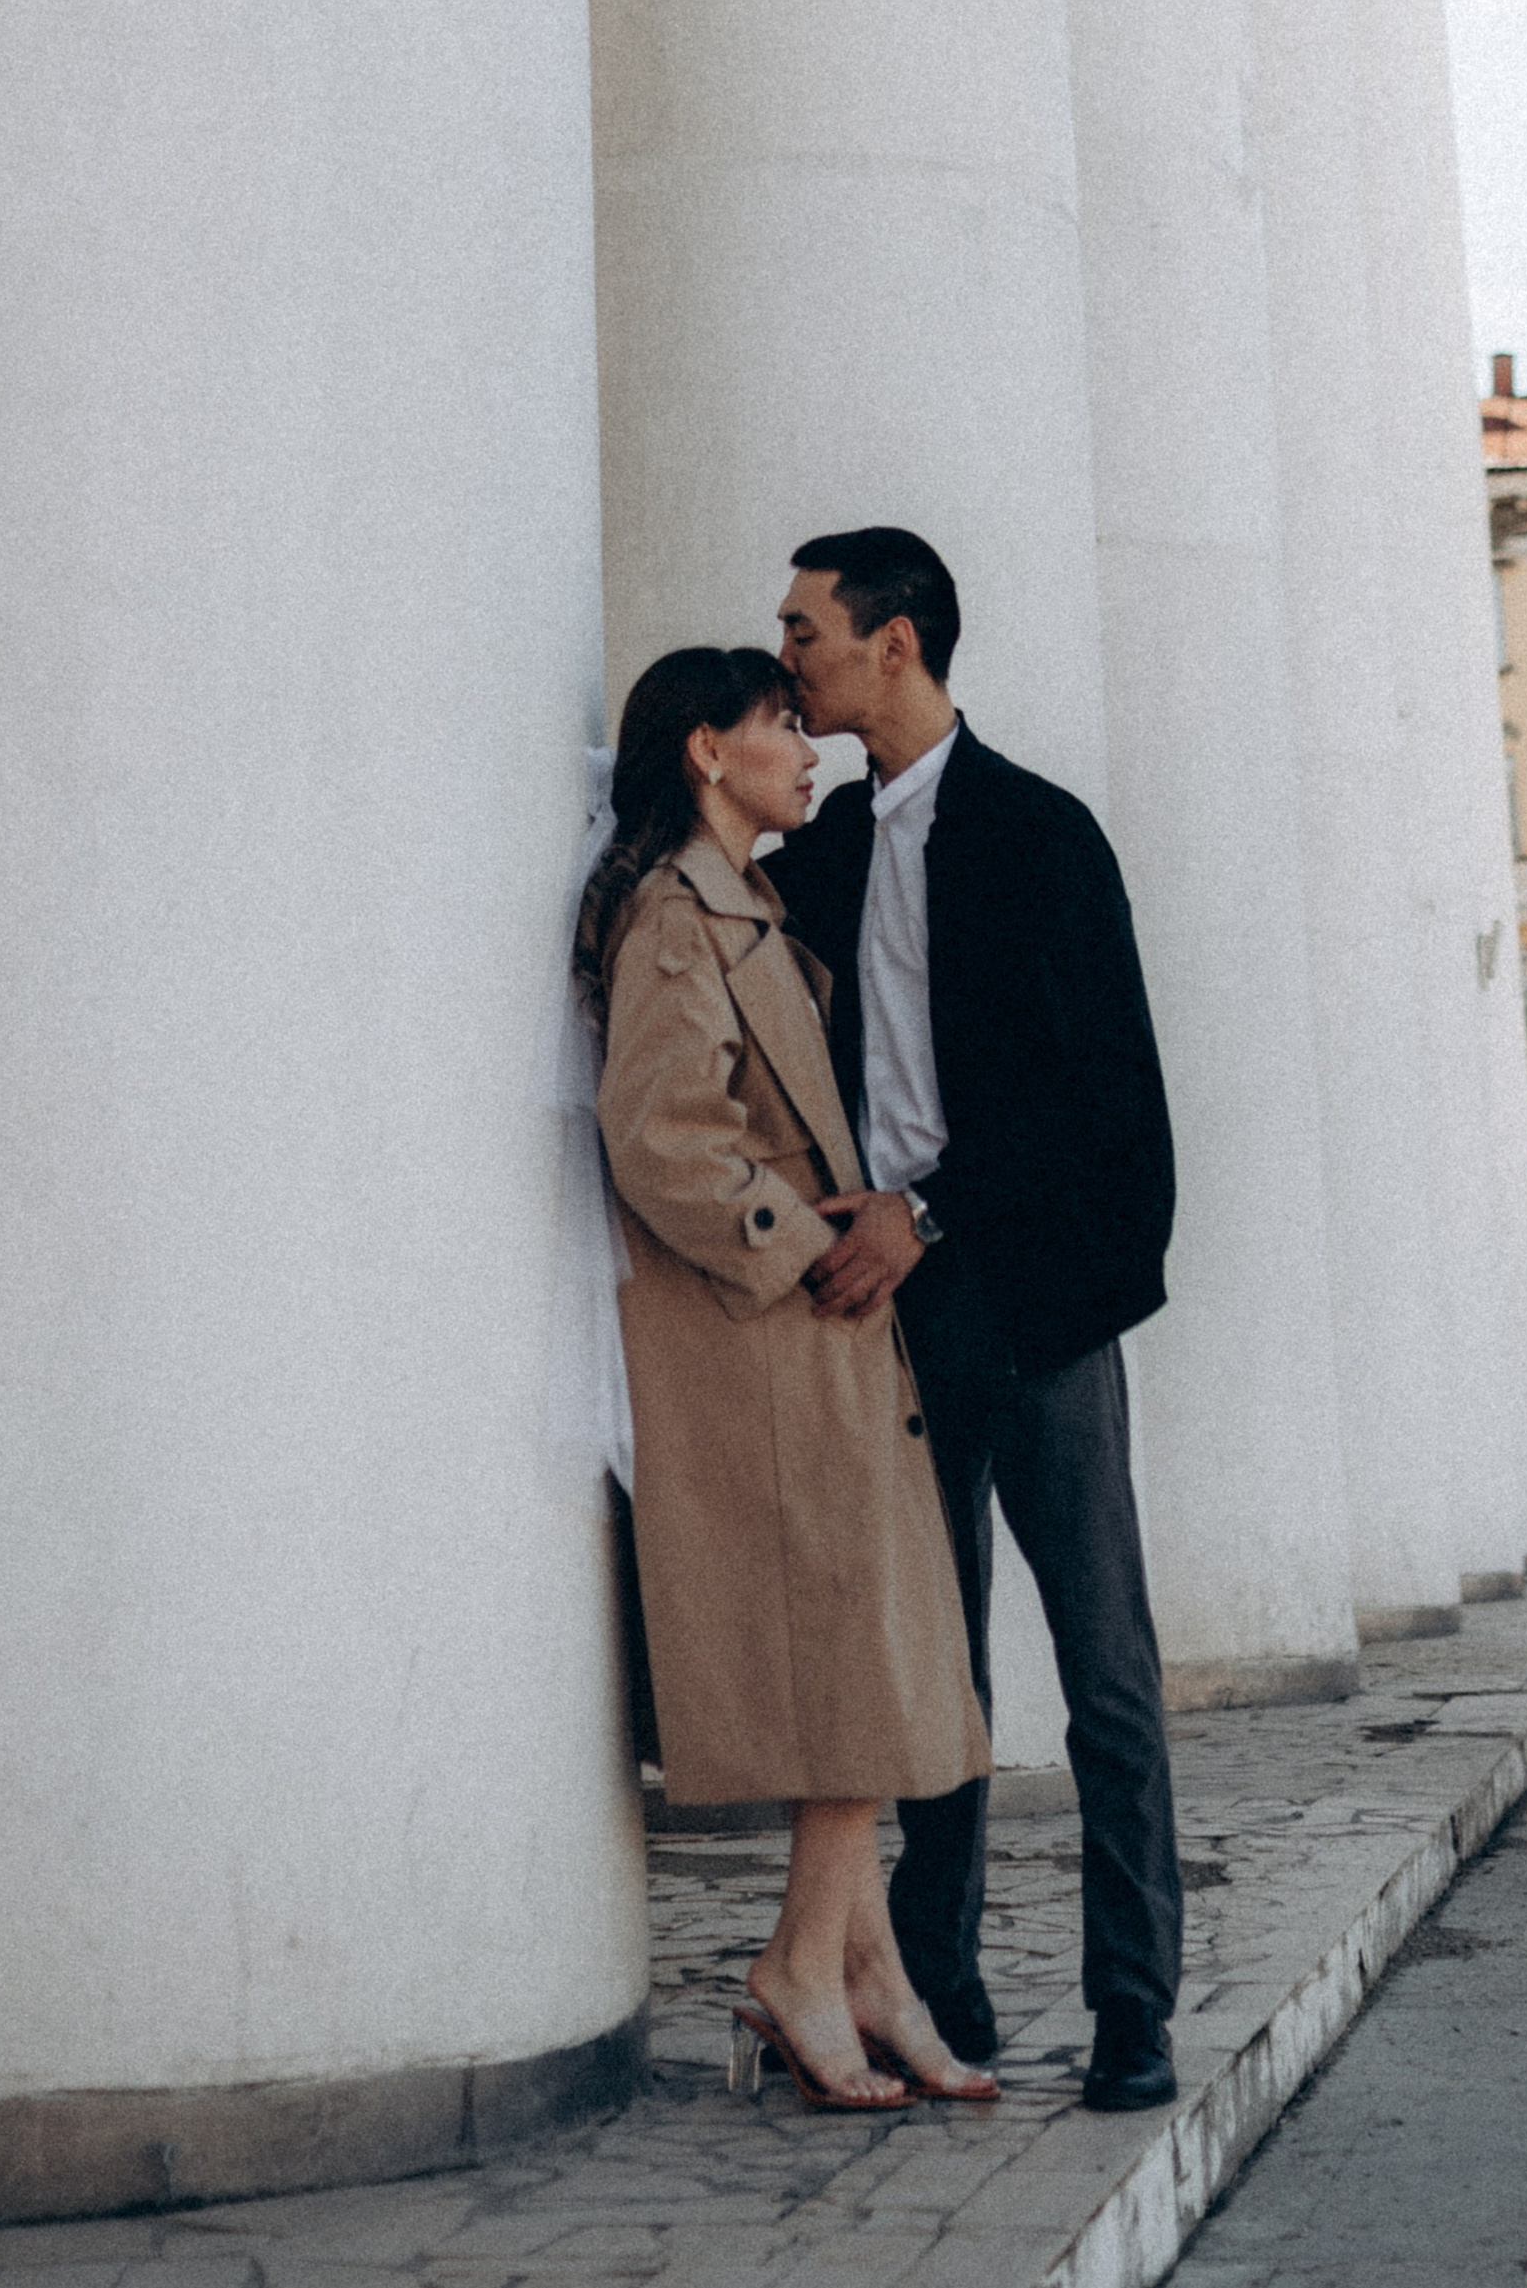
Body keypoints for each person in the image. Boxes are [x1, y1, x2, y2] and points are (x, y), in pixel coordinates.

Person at [764, 533, 1185, 2115]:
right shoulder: (820, 850)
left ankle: (1135, 2006)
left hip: (1041, 1304)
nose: (788, 653)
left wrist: (929, 1210)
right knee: (927, 1676)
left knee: (1108, 1673)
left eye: (806, 628)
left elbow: (1103, 1096)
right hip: (887, 1320)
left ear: (895, 639)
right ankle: (937, 1988)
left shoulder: (1040, 832)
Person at [581, 644, 997, 2113]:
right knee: (849, 1671)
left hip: (812, 1345)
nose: (804, 743)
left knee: (869, 1662)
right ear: (707, 749)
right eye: (776, 724)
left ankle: (865, 1970)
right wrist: (790, 1233)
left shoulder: (747, 901)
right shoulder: (677, 918)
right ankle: (800, 1971)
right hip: (757, 1342)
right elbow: (659, 1132)